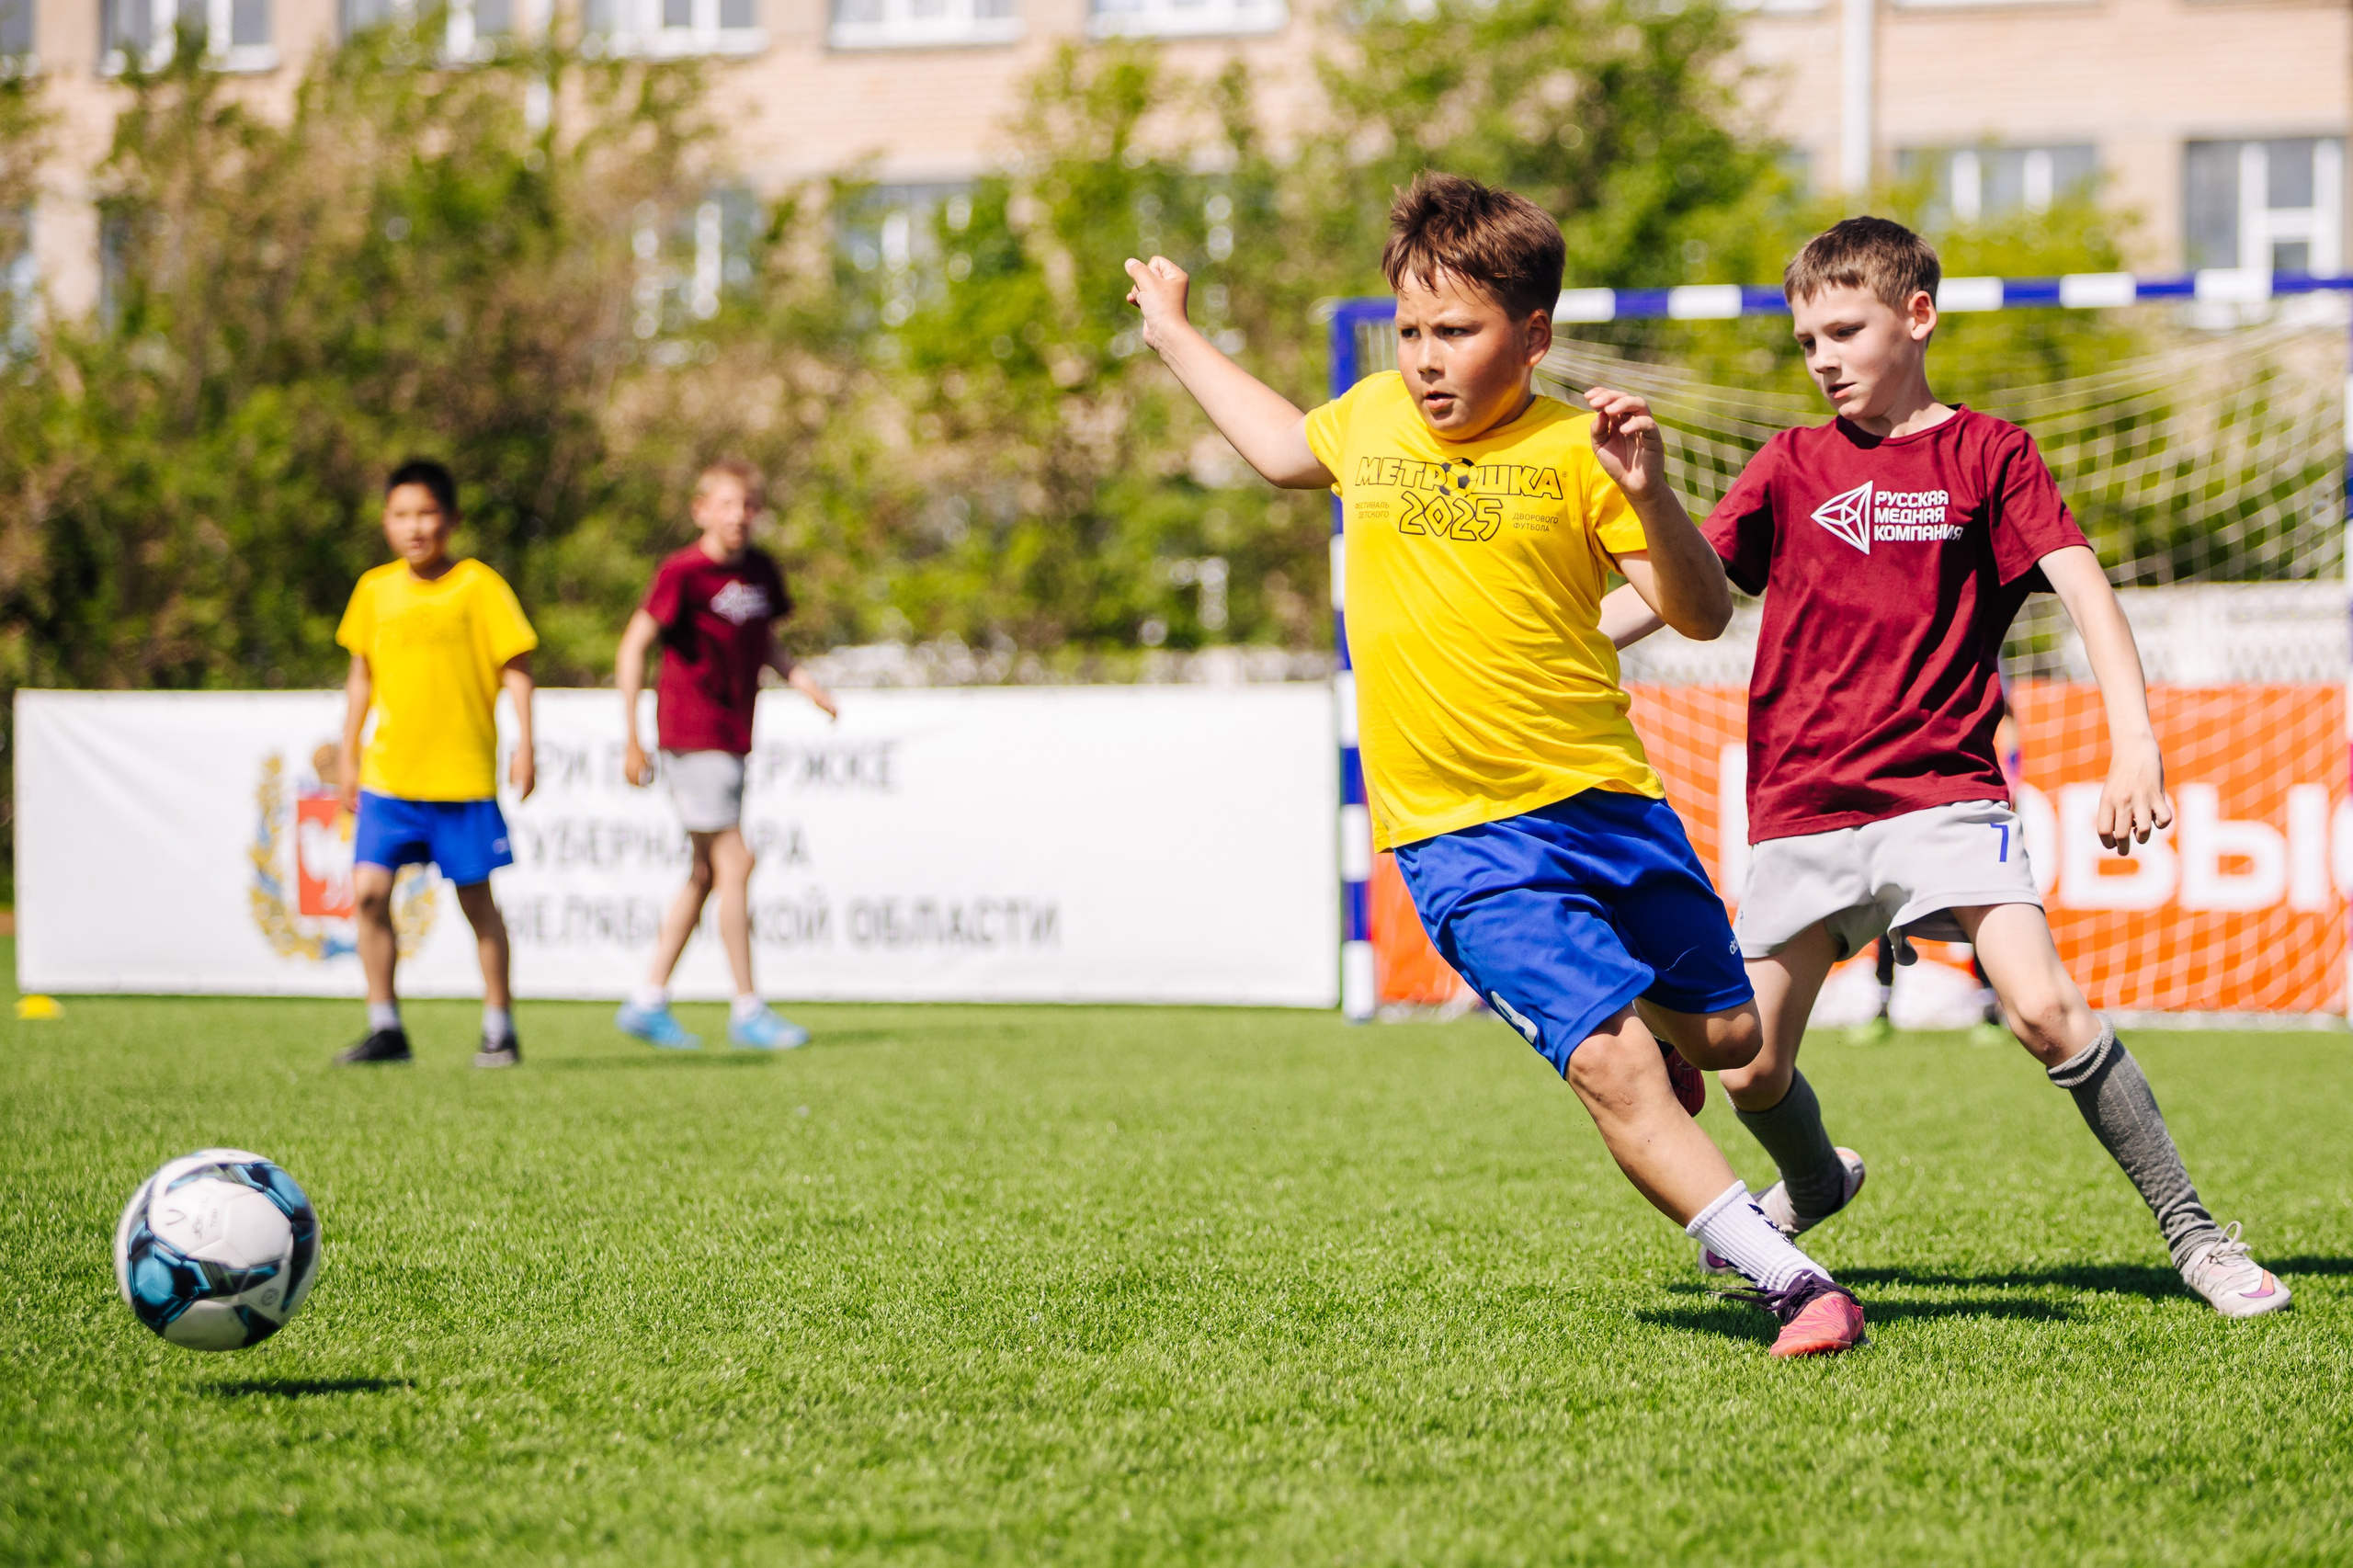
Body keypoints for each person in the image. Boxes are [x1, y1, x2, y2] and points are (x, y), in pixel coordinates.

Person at [1125, 172, 1867, 1357]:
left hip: (1606, 800)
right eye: (1411, 330)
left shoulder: (1582, 450)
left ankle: (1816, 1170)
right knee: (1616, 1065)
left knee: (1729, 1045)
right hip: (1457, 831)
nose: (1425, 358)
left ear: (1533, 335)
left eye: (1456, 331)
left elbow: (1697, 611)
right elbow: (1273, 447)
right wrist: (1172, 331)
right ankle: (1797, 1284)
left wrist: (1651, 492)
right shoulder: (1368, 418)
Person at [1607, 217, 2287, 1318]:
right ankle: (1818, 1180)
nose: (1821, 355)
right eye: (1805, 338)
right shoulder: (1788, 463)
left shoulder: (1990, 454)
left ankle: (2198, 1237)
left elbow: (2083, 586)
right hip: (1800, 807)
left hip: (1943, 796)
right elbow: (1677, 591)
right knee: (1748, 1069)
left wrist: (2135, 741)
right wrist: (1567, 647)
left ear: (1915, 316)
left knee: (2044, 1010)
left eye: (1844, 329)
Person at [612, 459, 838, 1051]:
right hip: (692, 732)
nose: (738, 516)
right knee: (736, 861)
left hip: (736, 734)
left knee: (706, 872)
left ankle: (647, 999)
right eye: (726, 504)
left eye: (747, 505)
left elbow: (764, 641)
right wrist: (632, 734)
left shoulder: (761, 570)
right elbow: (634, 645)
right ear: (701, 510)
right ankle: (748, 1008)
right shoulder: (683, 573)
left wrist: (803, 681)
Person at [334, 459, 539, 1068]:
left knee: (476, 902)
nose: (414, 526)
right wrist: (348, 753)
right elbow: (360, 676)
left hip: (460, 776)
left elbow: (517, 668)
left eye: (426, 513)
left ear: (451, 519)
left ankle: (499, 1026)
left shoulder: (478, 586)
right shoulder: (374, 590)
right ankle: (386, 1026)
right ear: (385, 522)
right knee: (368, 894)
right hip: (389, 775)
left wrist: (526, 742)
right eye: (401, 515)